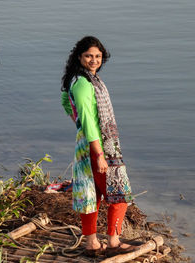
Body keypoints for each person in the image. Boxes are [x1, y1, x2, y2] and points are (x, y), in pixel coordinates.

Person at [61, 36, 138, 257]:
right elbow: (88, 120)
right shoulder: (84, 84)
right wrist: (99, 154)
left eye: (98, 56)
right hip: (99, 147)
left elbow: (65, 101)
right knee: (120, 194)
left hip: (86, 144)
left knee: (91, 195)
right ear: (79, 57)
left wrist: (78, 124)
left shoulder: (79, 80)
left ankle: (92, 243)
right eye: (89, 56)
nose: (94, 60)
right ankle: (113, 241)